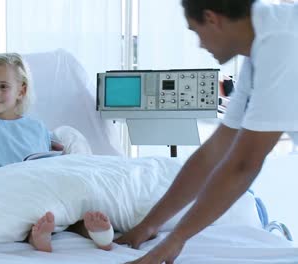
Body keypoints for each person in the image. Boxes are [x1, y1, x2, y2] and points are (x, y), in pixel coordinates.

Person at [115, 0, 298, 263]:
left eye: (195, 31)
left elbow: (243, 165)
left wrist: (176, 239)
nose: (200, 44)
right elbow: (215, 151)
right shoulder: (261, 48)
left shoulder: (282, 43)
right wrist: (148, 226)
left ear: (212, 19)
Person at [0, 52, 114, 252]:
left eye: (3, 86)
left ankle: (95, 231)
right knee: (20, 212)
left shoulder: (37, 127)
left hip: (36, 186)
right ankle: (36, 236)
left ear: (21, 90)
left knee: (67, 207)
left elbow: (44, 163)